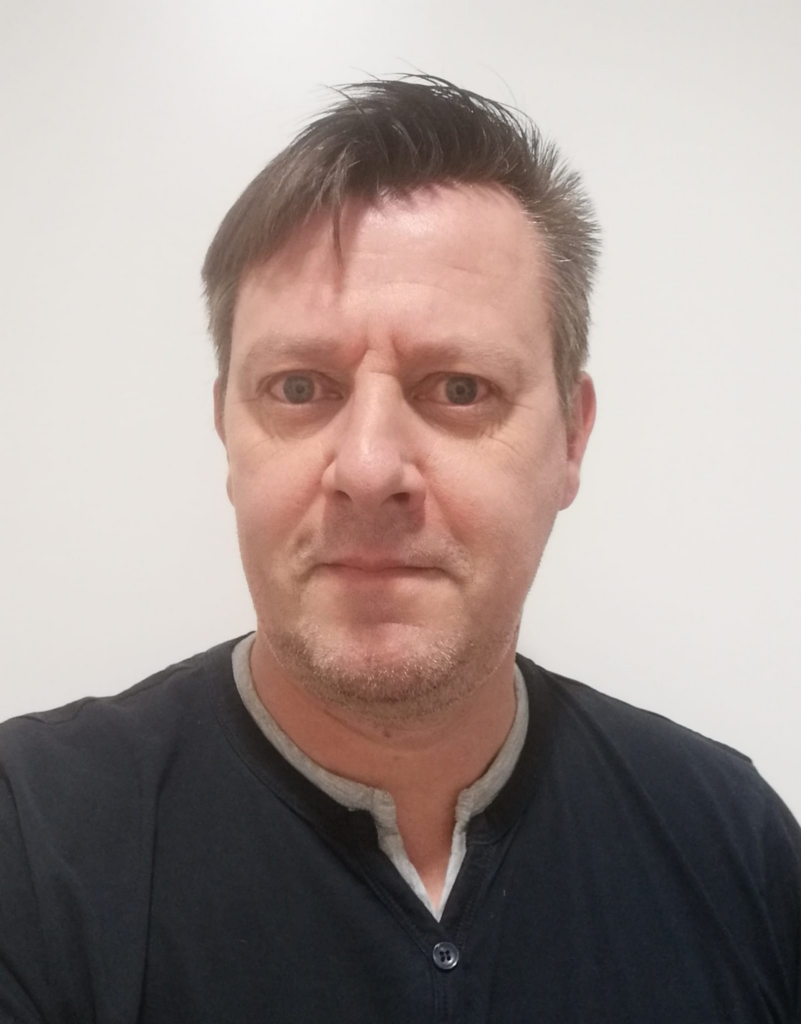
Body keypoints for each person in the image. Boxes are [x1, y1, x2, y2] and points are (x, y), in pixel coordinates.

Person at [0, 74, 798, 1023]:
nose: (369, 469)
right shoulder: (30, 840)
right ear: (226, 431)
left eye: (458, 389)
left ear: (572, 439)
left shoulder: (729, 838)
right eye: (299, 388)